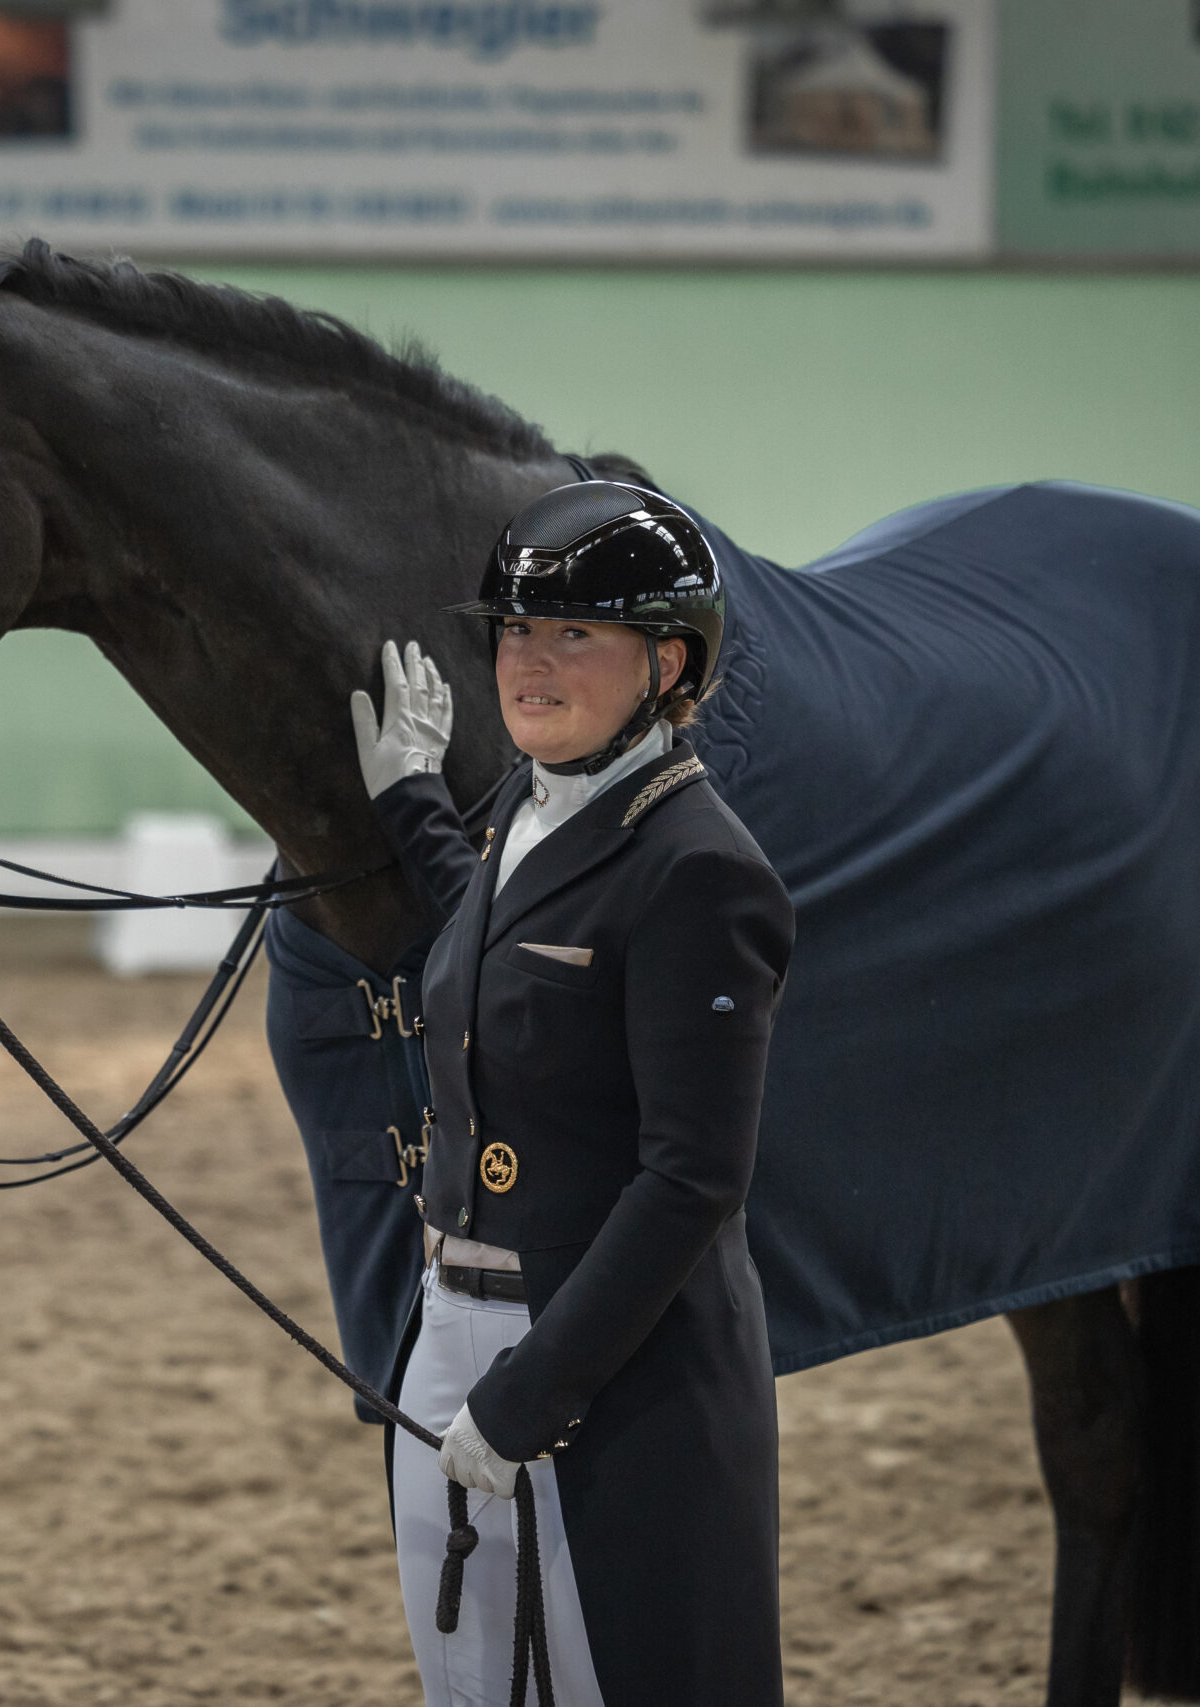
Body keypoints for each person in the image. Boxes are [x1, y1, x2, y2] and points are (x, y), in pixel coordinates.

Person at [348, 481, 794, 1707]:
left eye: (571, 636)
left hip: (604, 1364)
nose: (526, 664)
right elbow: (499, 951)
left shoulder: (701, 871)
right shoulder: (525, 812)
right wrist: (410, 803)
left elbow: (694, 1175)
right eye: (513, 633)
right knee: (471, 1682)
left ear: (667, 662)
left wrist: (536, 1387)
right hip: (449, 1328)